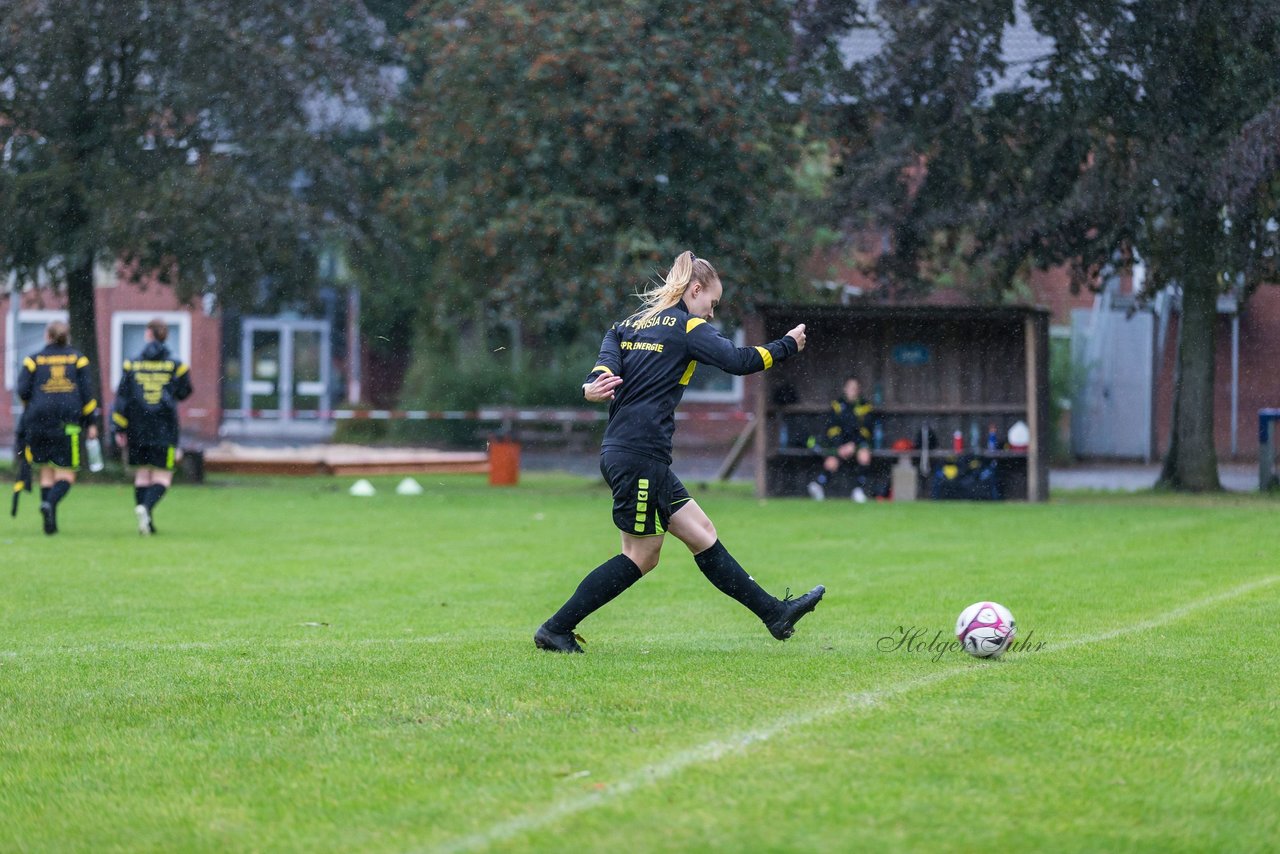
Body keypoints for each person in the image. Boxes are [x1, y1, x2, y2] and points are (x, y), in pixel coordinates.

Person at [534, 250, 825, 654]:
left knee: (701, 532)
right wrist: (787, 346)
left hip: (629, 451)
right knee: (641, 555)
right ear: (696, 289)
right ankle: (555, 629)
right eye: (712, 303)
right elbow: (738, 361)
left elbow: (602, 371)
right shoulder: (686, 326)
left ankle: (775, 614)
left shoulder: (626, 325)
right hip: (639, 455)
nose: (711, 314)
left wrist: (590, 387)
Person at [110, 318, 193, 535]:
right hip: (164, 427)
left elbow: (122, 398)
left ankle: (145, 520)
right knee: (163, 475)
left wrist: (119, 427)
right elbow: (185, 392)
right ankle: (146, 508)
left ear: (148, 334)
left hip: (137, 426)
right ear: (165, 336)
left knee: (143, 475)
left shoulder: (131, 364)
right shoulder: (176, 365)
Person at [16, 320, 100, 535]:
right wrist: (91, 422)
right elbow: (87, 395)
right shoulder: (77, 360)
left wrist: (34, 405)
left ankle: (50, 525)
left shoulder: (33, 360)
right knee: (67, 474)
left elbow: (22, 390)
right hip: (68, 423)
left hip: (38, 422)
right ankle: (50, 505)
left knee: (46, 470)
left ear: (47, 336)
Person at [806, 376, 874, 503]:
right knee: (832, 460)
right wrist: (840, 445)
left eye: (855, 388)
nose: (852, 390)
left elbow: (866, 429)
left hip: (857, 443)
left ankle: (859, 490)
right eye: (850, 387)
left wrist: (853, 444)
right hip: (840, 444)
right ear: (845, 389)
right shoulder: (837, 405)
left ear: (859, 390)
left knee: (864, 456)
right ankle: (819, 485)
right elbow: (832, 428)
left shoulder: (865, 406)